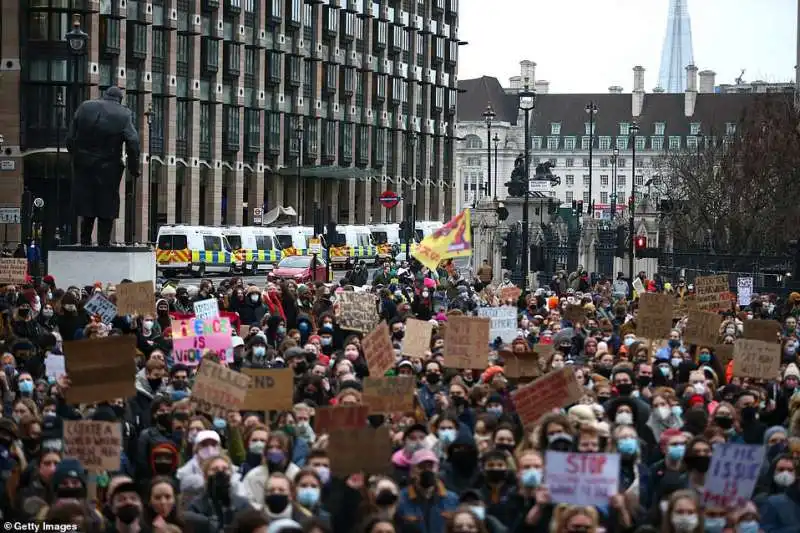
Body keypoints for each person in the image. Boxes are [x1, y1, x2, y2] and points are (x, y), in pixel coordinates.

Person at [66, 86, 141, 247]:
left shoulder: (85, 107)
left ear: (104, 95)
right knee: (107, 202)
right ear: (119, 99)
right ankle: (104, 242)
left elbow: (70, 137)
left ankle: (85, 240)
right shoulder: (124, 114)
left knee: (86, 202)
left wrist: (77, 156)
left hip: (84, 164)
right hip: (109, 166)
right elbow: (133, 142)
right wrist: (134, 168)